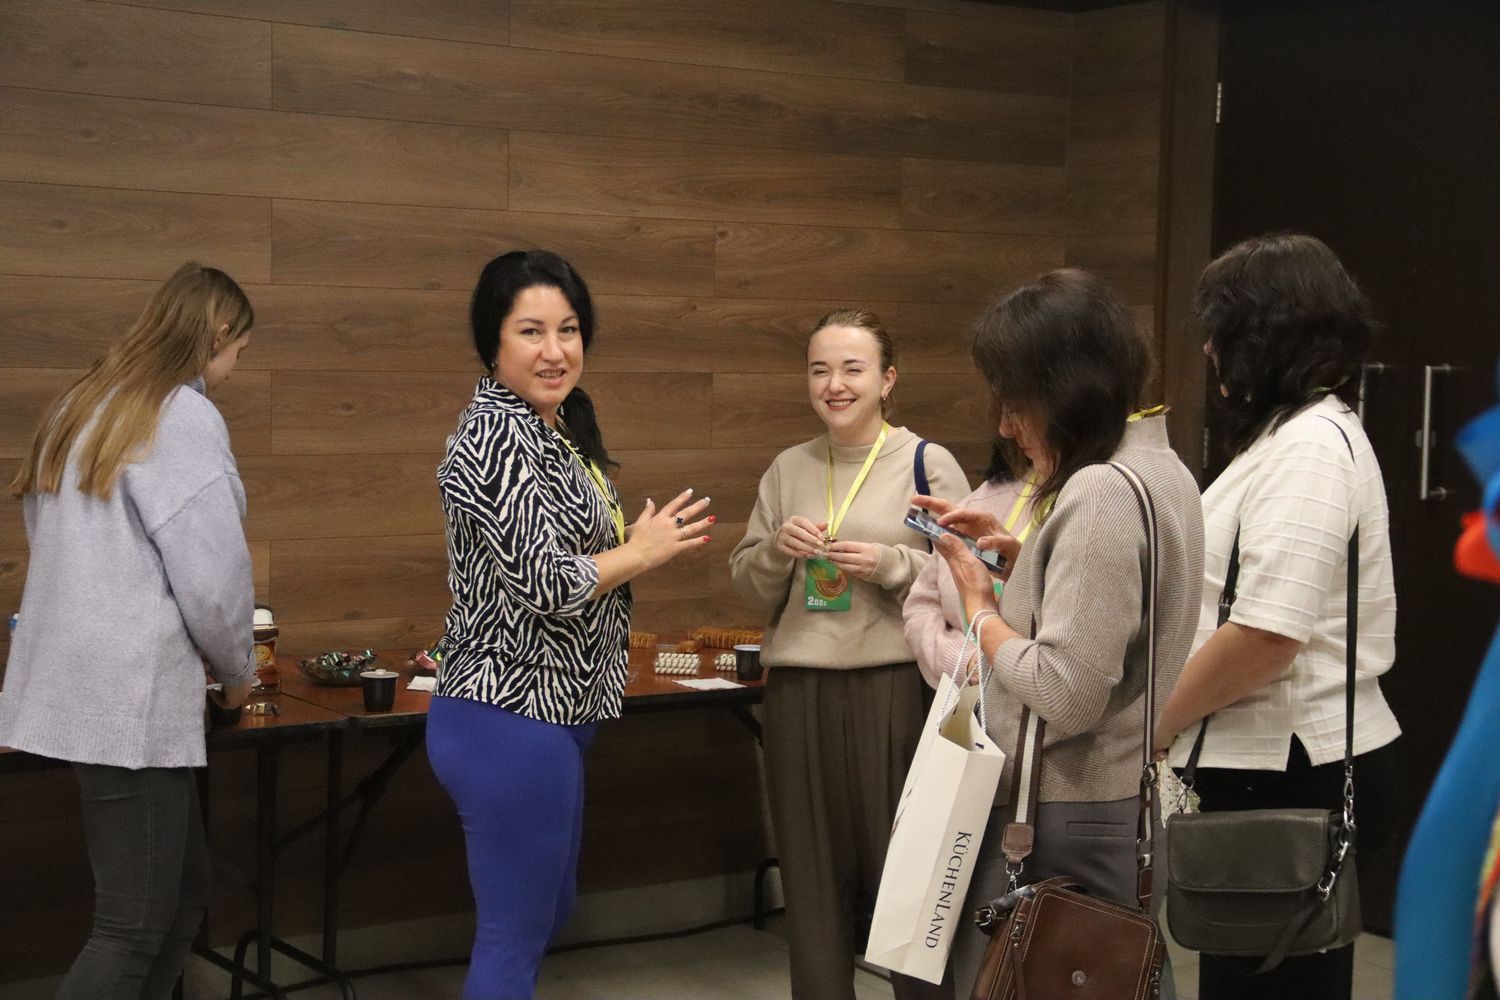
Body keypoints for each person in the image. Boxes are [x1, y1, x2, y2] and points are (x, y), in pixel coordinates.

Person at [427, 249, 712, 1000]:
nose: (554, 351)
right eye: (531, 331)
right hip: (506, 712)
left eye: (569, 329)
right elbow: (548, 582)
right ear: (492, 340)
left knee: (547, 913)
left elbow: (564, 555)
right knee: (513, 937)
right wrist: (639, 553)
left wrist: (631, 544)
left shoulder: (551, 427)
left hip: (554, 712)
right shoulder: (494, 436)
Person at [914, 269, 1203, 997]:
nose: (1007, 427)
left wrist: (980, 609)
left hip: (1060, 811)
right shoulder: (1162, 468)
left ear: (1066, 389)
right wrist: (1027, 564)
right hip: (1113, 801)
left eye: (1015, 401)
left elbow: (1067, 693)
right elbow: (1121, 620)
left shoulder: (1099, 488)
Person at [1153, 234, 1403, 1000]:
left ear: (1264, 334)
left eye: (1220, 330)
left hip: (1292, 768)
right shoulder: (1285, 435)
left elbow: (1266, 636)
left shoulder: (1311, 448)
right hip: (1267, 766)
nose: (1208, 349)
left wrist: (1154, 726)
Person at [0, 262, 259, 1000]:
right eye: (239, 351)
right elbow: (212, 574)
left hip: (79, 685)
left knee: (182, 898)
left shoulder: (83, 403)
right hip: (128, 699)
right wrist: (236, 673)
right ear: (218, 331)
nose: (234, 370)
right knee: (133, 926)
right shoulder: (180, 415)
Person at [729, 309, 969, 1000]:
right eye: (820, 370)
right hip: (797, 689)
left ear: (888, 379)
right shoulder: (789, 468)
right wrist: (776, 552)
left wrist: (895, 564)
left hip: (894, 689)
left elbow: (973, 577)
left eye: (852, 369)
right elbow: (748, 582)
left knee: (906, 880)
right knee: (809, 876)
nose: (834, 384)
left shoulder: (925, 463)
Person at [899, 443, 1036, 991]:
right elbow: (921, 605)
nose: (1009, 426)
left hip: (1041, 730)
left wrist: (999, 659)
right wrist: (965, 659)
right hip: (965, 718)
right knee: (952, 900)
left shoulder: (1087, 499)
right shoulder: (983, 498)